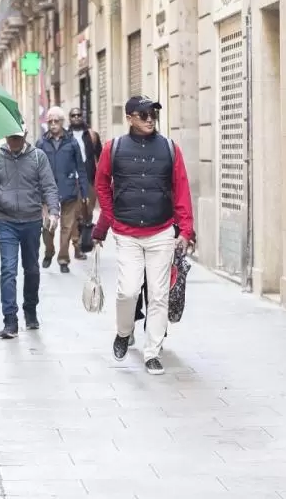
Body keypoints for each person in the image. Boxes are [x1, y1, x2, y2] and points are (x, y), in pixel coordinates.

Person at [92, 96, 195, 376]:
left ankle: (152, 352)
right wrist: (109, 217)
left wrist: (185, 230)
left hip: (161, 231)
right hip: (126, 233)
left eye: (153, 114)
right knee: (128, 290)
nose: (150, 118)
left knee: (159, 295)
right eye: (144, 114)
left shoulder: (170, 149)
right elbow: (101, 183)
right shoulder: (112, 149)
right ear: (130, 117)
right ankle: (124, 332)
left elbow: (182, 190)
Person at [0, 127, 60, 339]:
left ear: (24, 136)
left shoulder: (38, 157)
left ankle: (30, 309)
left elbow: (49, 187)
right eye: (9, 137)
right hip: (6, 222)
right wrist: (1, 195)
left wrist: (53, 211)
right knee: (8, 270)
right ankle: (10, 320)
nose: (13, 141)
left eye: (17, 137)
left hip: (32, 221)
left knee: (32, 269)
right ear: (4, 137)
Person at [37, 106, 90, 273]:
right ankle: (49, 251)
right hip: (47, 192)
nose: (53, 125)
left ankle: (63, 259)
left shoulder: (71, 142)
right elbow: (35, 169)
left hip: (68, 190)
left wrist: (85, 192)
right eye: (50, 121)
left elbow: (81, 169)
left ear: (62, 123)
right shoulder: (41, 143)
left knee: (67, 228)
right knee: (48, 227)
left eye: (56, 121)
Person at [68, 107, 102, 260]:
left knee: (87, 212)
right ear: (70, 118)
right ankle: (77, 246)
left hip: (89, 177)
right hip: (71, 179)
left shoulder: (92, 135)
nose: (76, 118)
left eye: (78, 115)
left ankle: (85, 236)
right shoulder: (65, 136)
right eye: (73, 115)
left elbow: (100, 157)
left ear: (83, 117)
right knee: (75, 214)